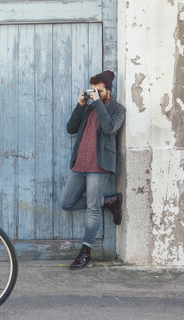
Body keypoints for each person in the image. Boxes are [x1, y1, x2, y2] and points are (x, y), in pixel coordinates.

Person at [60, 70, 126, 270]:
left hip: (99, 166)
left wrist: (97, 103)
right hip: (79, 164)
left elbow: (109, 128)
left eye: (99, 91)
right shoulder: (88, 108)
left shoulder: (118, 109)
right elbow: (71, 128)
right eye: (93, 90)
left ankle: (86, 252)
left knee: (92, 208)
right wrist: (81, 105)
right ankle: (109, 201)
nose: (95, 93)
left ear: (108, 90)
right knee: (66, 203)